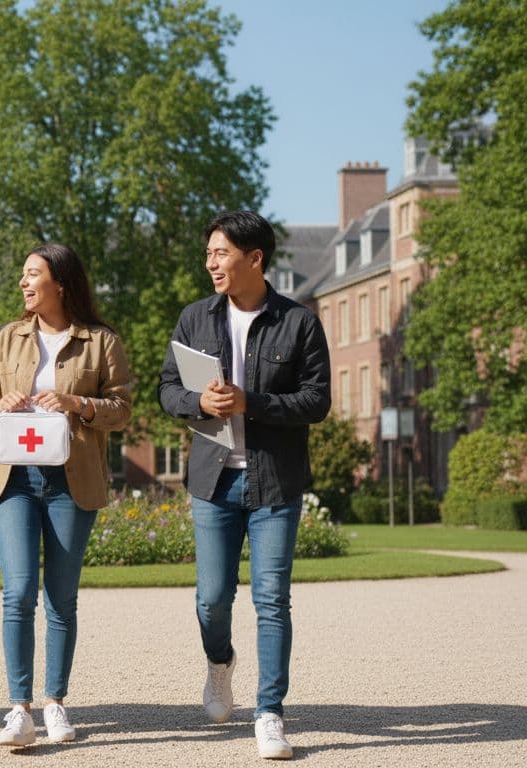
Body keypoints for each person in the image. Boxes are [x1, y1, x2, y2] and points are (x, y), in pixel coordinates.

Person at [158, 210, 330, 760]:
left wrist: (250, 402)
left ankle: (269, 712)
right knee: (212, 600)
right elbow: (167, 390)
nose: (211, 263)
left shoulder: (299, 322)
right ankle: (219, 662)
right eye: (208, 253)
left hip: (274, 482)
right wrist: (197, 402)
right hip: (212, 481)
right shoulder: (194, 318)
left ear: (254, 259)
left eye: (220, 253)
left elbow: (317, 401)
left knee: (272, 600)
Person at [0, 243, 132, 747]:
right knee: (17, 593)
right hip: (14, 478)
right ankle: (19, 708)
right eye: (22, 275)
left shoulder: (100, 341)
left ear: (59, 283)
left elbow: (122, 408)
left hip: (71, 479)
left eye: (33, 275)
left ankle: (56, 702)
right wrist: (1, 405)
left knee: (60, 598)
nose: (24, 283)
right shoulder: (6, 338)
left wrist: (76, 402)